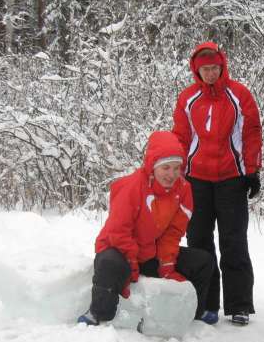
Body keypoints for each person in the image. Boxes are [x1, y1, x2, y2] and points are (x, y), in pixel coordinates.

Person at [78, 131, 214, 325]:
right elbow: (119, 232)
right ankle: (98, 313)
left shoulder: (183, 190)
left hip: (149, 252)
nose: (172, 174)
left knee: (203, 261)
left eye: (177, 168)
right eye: (166, 168)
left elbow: (172, 233)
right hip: (118, 248)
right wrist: (132, 265)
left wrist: (167, 266)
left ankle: (192, 312)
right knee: (110, 264)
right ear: (153, 166)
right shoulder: (133, 187)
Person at [172, 42, 262, 326]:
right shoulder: (188, 98)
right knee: (199, 241)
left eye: (214, 68)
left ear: (223, 66)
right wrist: (177, 174)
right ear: (196, 71)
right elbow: (180, 138)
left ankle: (239, 304)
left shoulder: (239, 95)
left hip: (231, 178)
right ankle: (206, 302)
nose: (210, 73)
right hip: (196, 179)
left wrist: (252, 169)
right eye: (205, 69)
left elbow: (252, 132)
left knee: (233, 240)